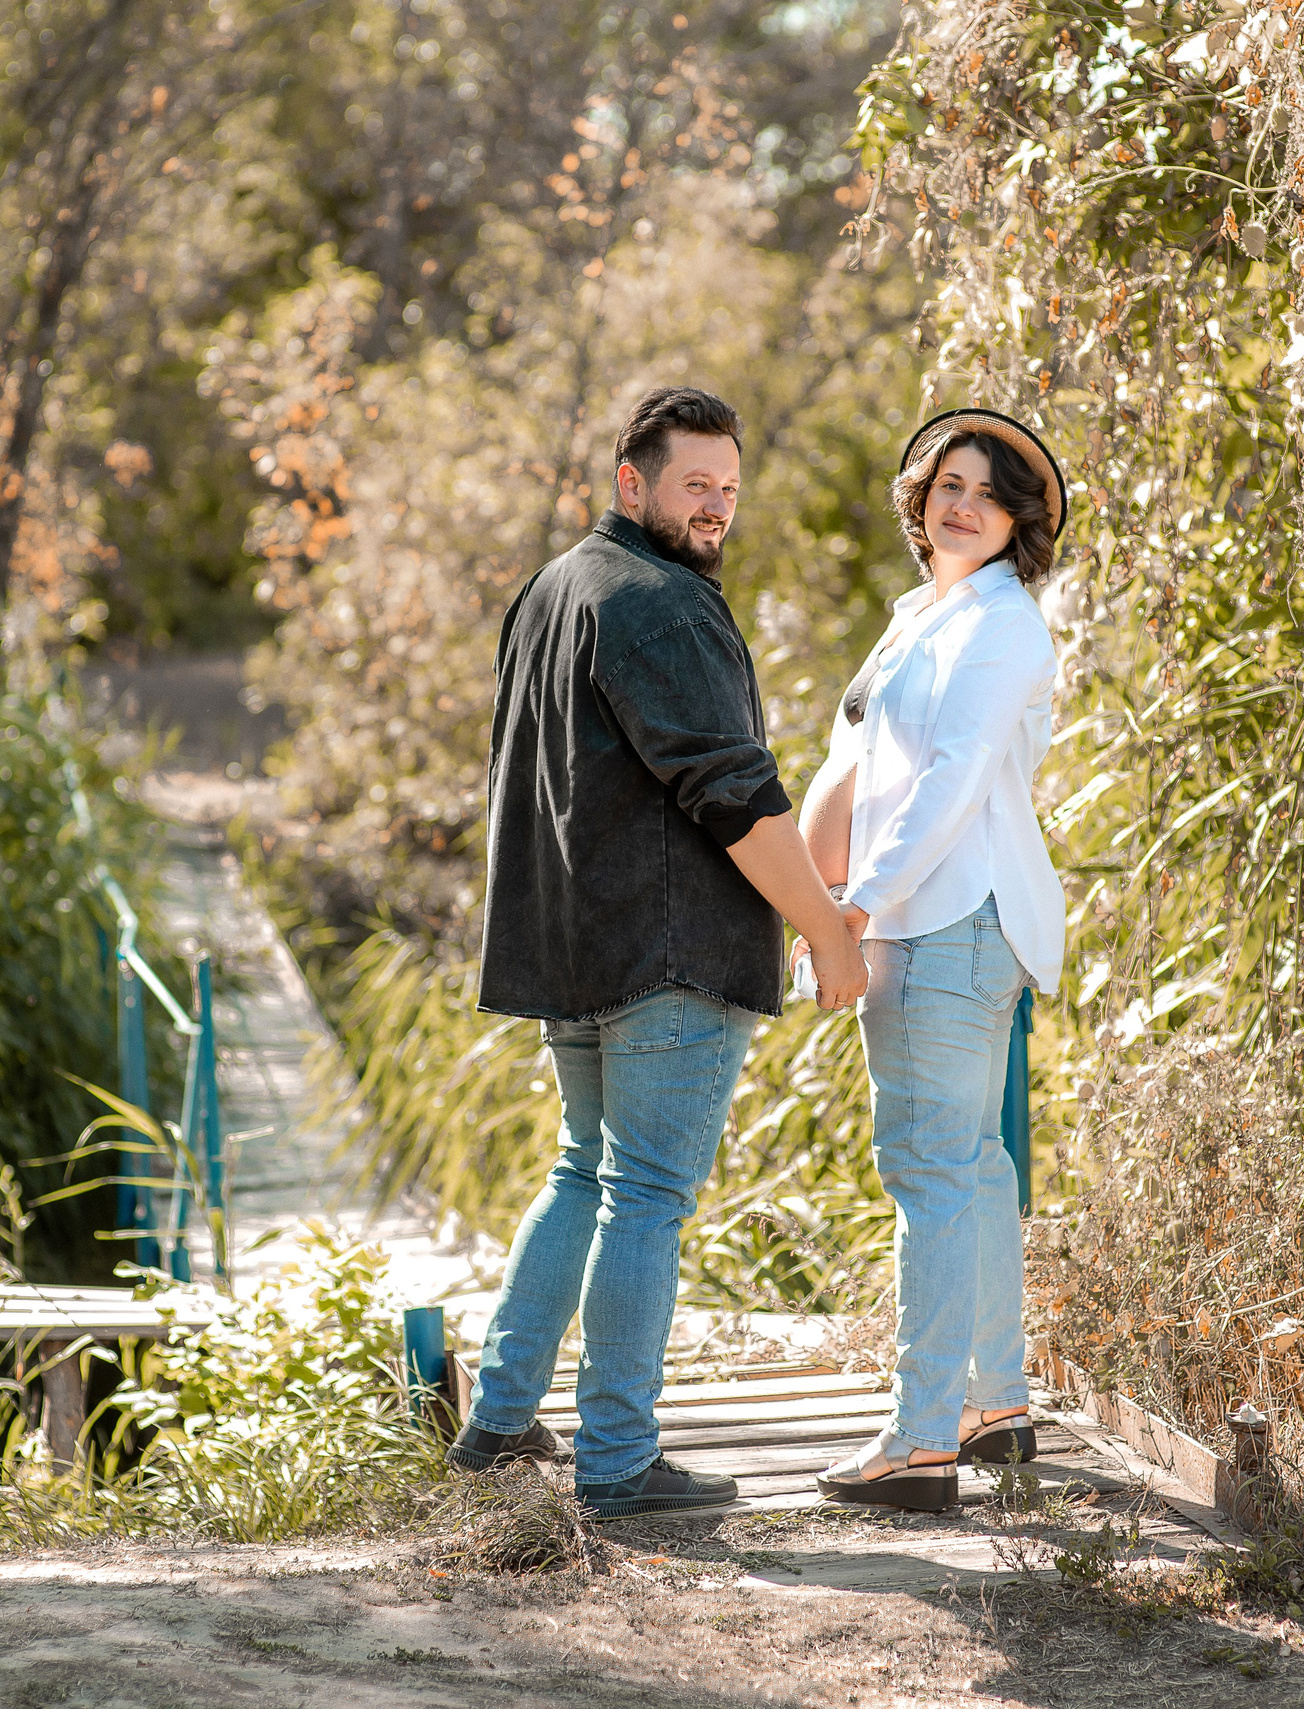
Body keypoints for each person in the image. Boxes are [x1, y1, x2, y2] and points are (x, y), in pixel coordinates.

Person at [451, 385, 869, 1519]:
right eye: (696, 483)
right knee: (642, 1193)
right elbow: (733, 794)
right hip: (666, 953)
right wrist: (824, 927)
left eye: (729, 489)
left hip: (575, 948)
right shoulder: (658, 601)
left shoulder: (552, 589)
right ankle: (618, 1460)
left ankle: (494, 1425)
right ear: (631, 483)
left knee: (585, 1171)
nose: (716, 507)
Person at [798, 407, 1067, 1512]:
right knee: (974, 1166)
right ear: (918, 495)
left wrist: (860, 904)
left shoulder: (999, 627)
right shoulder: (925, 614)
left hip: (944, 918)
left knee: (929, 1171)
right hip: (927, 917)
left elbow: (950, 783)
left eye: (987, 493)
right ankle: (996, 1402)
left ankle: (917, 1440)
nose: (960, 503)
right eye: (947, 483)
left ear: (1017, 524)